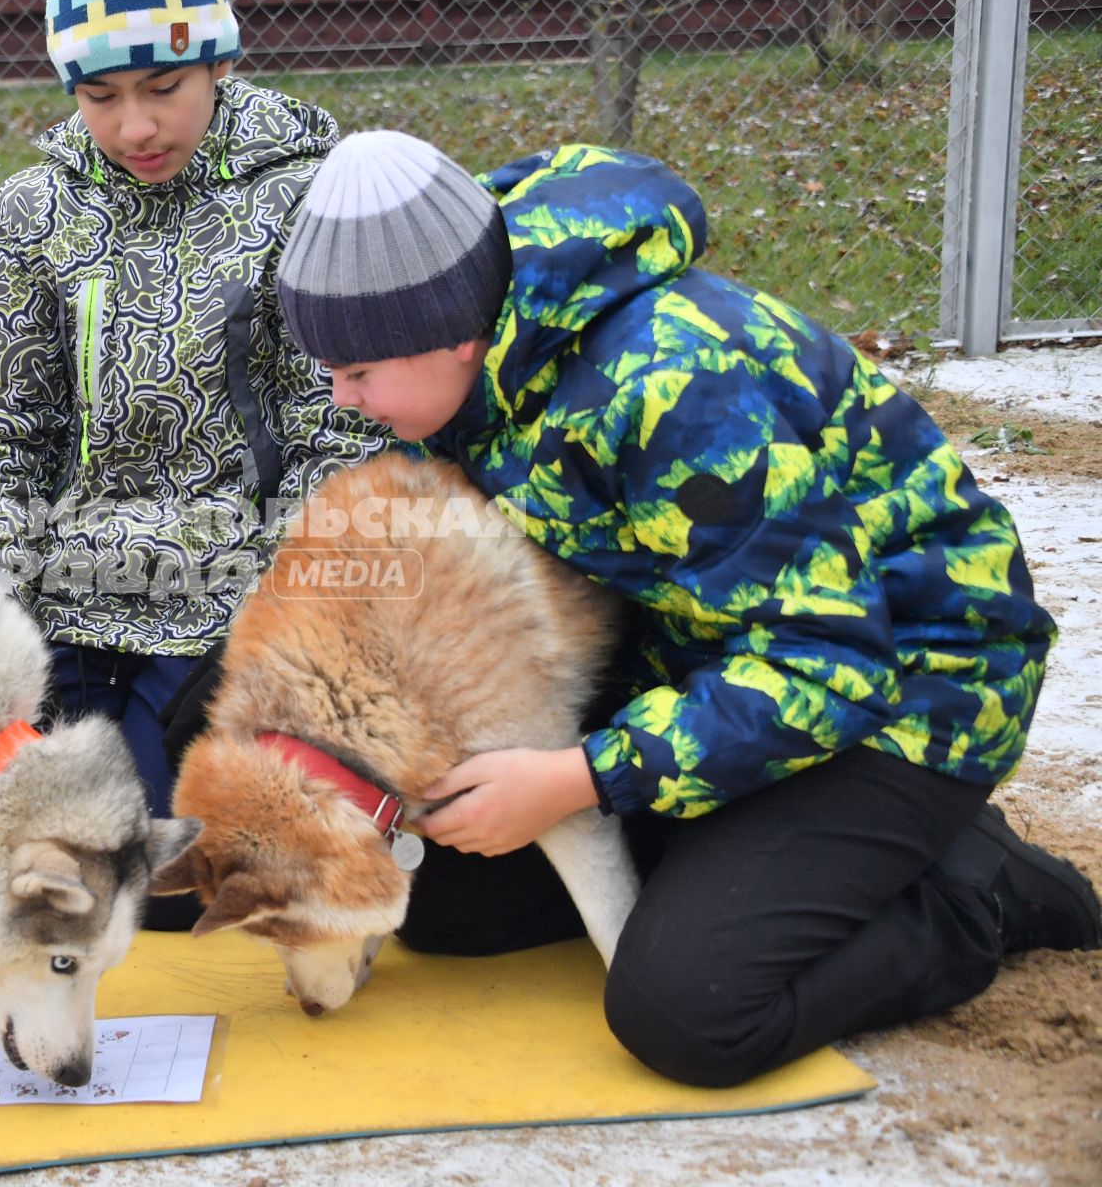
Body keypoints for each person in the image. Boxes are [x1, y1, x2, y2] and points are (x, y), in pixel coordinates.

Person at [252, 130, 1099, 1086]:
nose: (342, 397)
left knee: (688, 1012)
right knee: (453, 912)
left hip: (912, 690)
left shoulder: (675, 383)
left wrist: (583, 776)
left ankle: (975, 894)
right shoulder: (483, 367)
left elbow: (832, 662)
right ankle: (756, 858)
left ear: (451, 329)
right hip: (713, 658)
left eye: (358, 372)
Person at [0, 0, 386, 927]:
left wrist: (281, 615)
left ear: (218, 61)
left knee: (211, 867)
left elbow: (337, 430)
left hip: (234, 603)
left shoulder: (299, 195)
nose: (136, 126)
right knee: (82, 871)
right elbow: (1, 432)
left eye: (163, 89)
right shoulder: (36, 212)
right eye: (101, 97)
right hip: (77, 603)